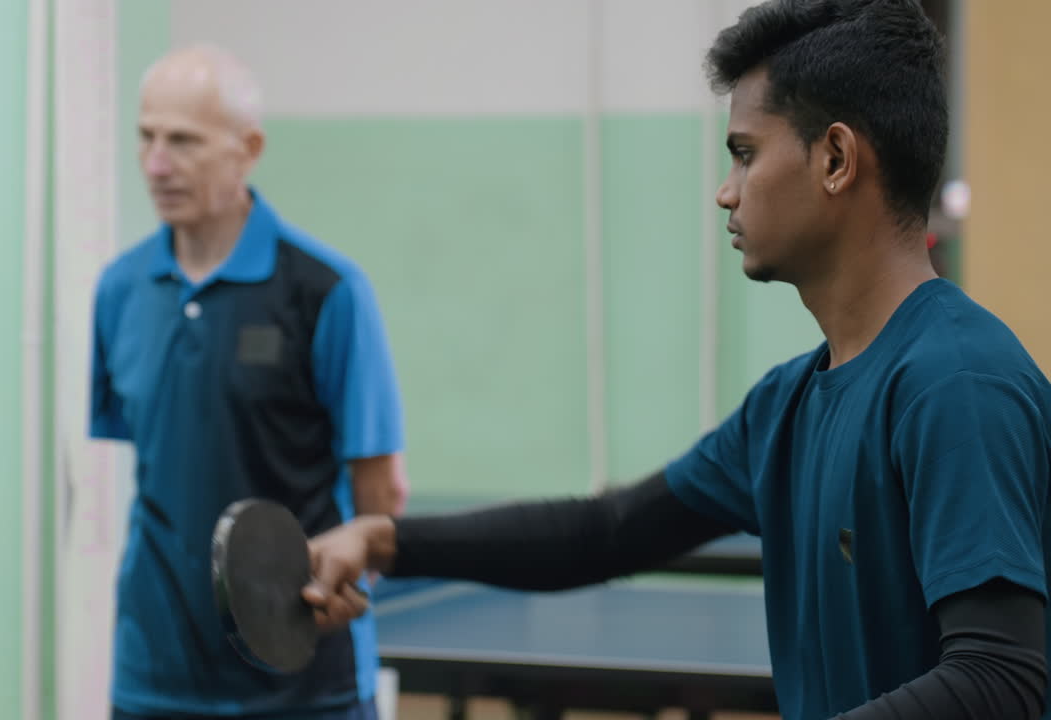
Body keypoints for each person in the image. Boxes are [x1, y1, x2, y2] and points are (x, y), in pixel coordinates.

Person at [302, 1, 1051, 718]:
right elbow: (610, 531)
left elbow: (1000, 679)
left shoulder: (955, 384)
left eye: (745, 154)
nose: (726, 193)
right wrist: (387, 540)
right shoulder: (785, 405)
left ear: (835, 158)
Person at [90, 45, 407, 720]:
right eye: (145, 137)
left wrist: (309, 602)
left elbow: (382, 492)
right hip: (154, 676)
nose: (155, 164)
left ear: (248, 147)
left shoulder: (328, 291)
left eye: (183, 141)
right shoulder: (119, 289)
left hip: (302, 683)